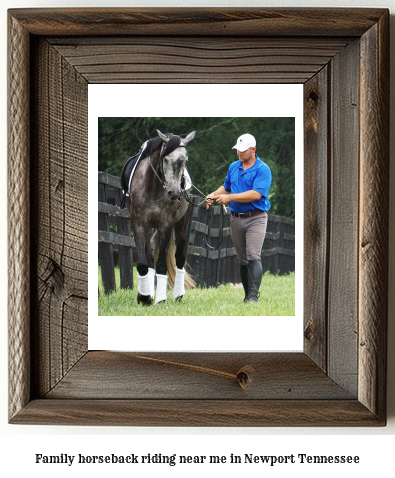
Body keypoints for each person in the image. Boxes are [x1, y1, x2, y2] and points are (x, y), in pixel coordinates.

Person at [205, 133, 272, 303]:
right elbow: (226, 187)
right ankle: (246, 295)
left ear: (253, 150)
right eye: (237, 150)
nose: (239, 153)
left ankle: (253, 297)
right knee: (242, 259)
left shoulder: (263, 169)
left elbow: (256, 194)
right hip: (236, 219)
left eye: (243, 151)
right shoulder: (234, 167)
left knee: (253, 255)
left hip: (256, 218)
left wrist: (229, 198)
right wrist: (213, 195)